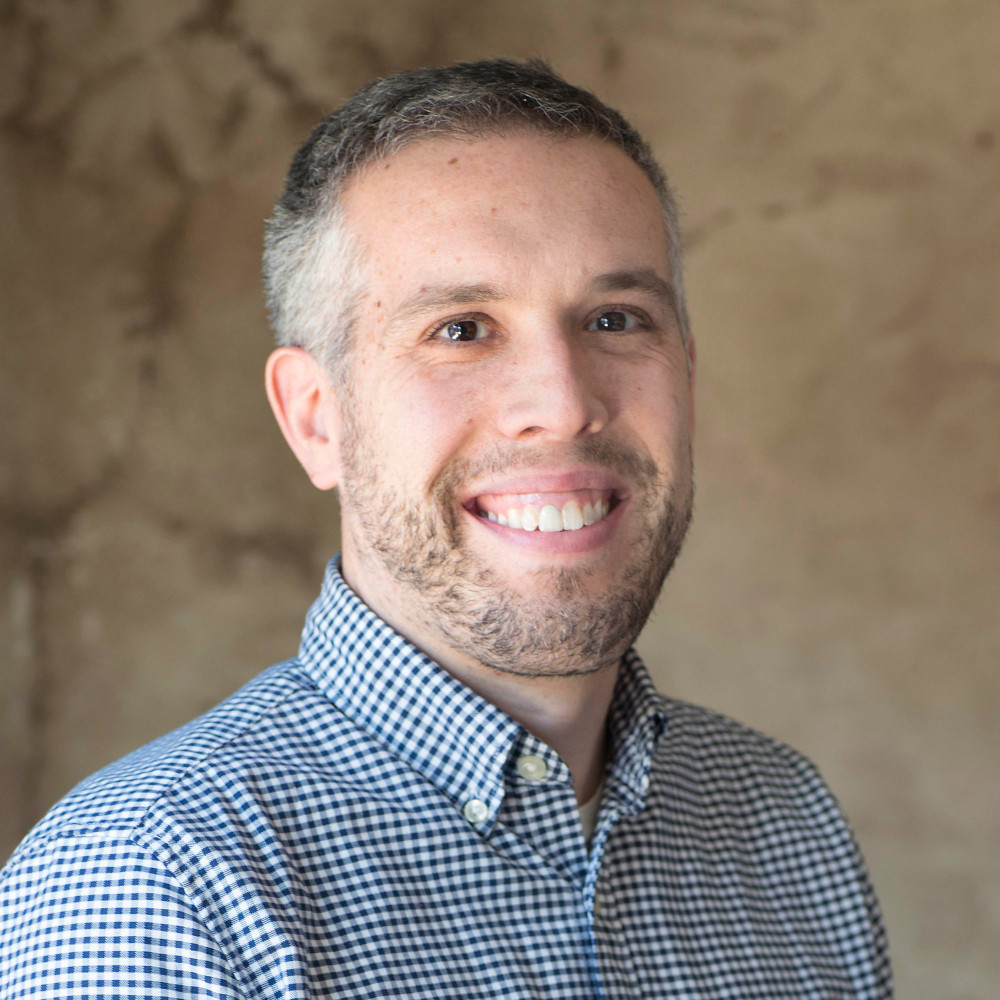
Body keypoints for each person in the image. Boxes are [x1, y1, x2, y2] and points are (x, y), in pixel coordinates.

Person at [0, 59, 892, 998]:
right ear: (316, 419)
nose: (562, 403)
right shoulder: (155, 885)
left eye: (616, 318)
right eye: (462, 328)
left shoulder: (785, 822)